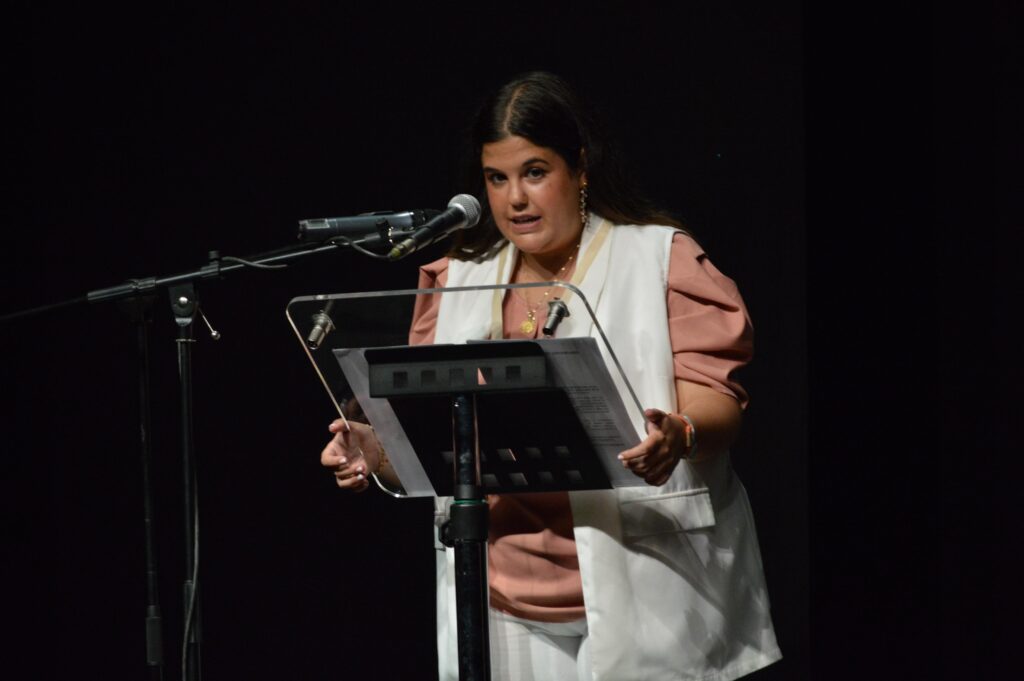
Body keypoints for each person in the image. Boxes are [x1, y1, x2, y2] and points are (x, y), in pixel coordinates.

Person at [320, 71, 781, 681]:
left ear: (580, 167)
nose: (515, 199)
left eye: (535, 172)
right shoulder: (457, 276)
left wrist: (682, 434)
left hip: (648, 589)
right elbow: (428, 442)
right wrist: (375, 450)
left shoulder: (657, 258)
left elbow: (718, 399)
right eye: (497, 178)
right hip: (499, 598)